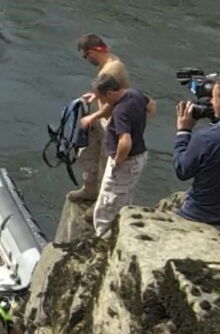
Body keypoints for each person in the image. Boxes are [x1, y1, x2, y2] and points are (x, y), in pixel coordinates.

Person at [174, 72, 220, 229]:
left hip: (200, 215)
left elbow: (182, 170)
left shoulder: (207, 138)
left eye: (214, 98)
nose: (211, 102)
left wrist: (183, 131)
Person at [68, 34, 132, 202]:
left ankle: (100, 203)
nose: (87, 59)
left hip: (111, 123)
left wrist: (92, 117)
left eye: (86, 55)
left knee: (106, 164)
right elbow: (107, 91)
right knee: (87, 153)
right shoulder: (110, 62)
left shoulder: (112, 70)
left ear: (93, 51)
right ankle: (89, 189)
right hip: (101, 120)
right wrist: (95, 95)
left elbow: (113, 102)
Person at [89, 73, 149, 236]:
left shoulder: (120, 111)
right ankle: (117, 232)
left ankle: (103, 238)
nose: (102, 102)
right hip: (140, 155)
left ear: (109, 93)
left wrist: (117, 161)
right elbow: (151, 106)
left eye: (102, 98)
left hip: (126, 161)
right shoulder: (136, 94)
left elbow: (125, 142)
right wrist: (139, 128)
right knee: (123, 199)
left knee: (108, 203)